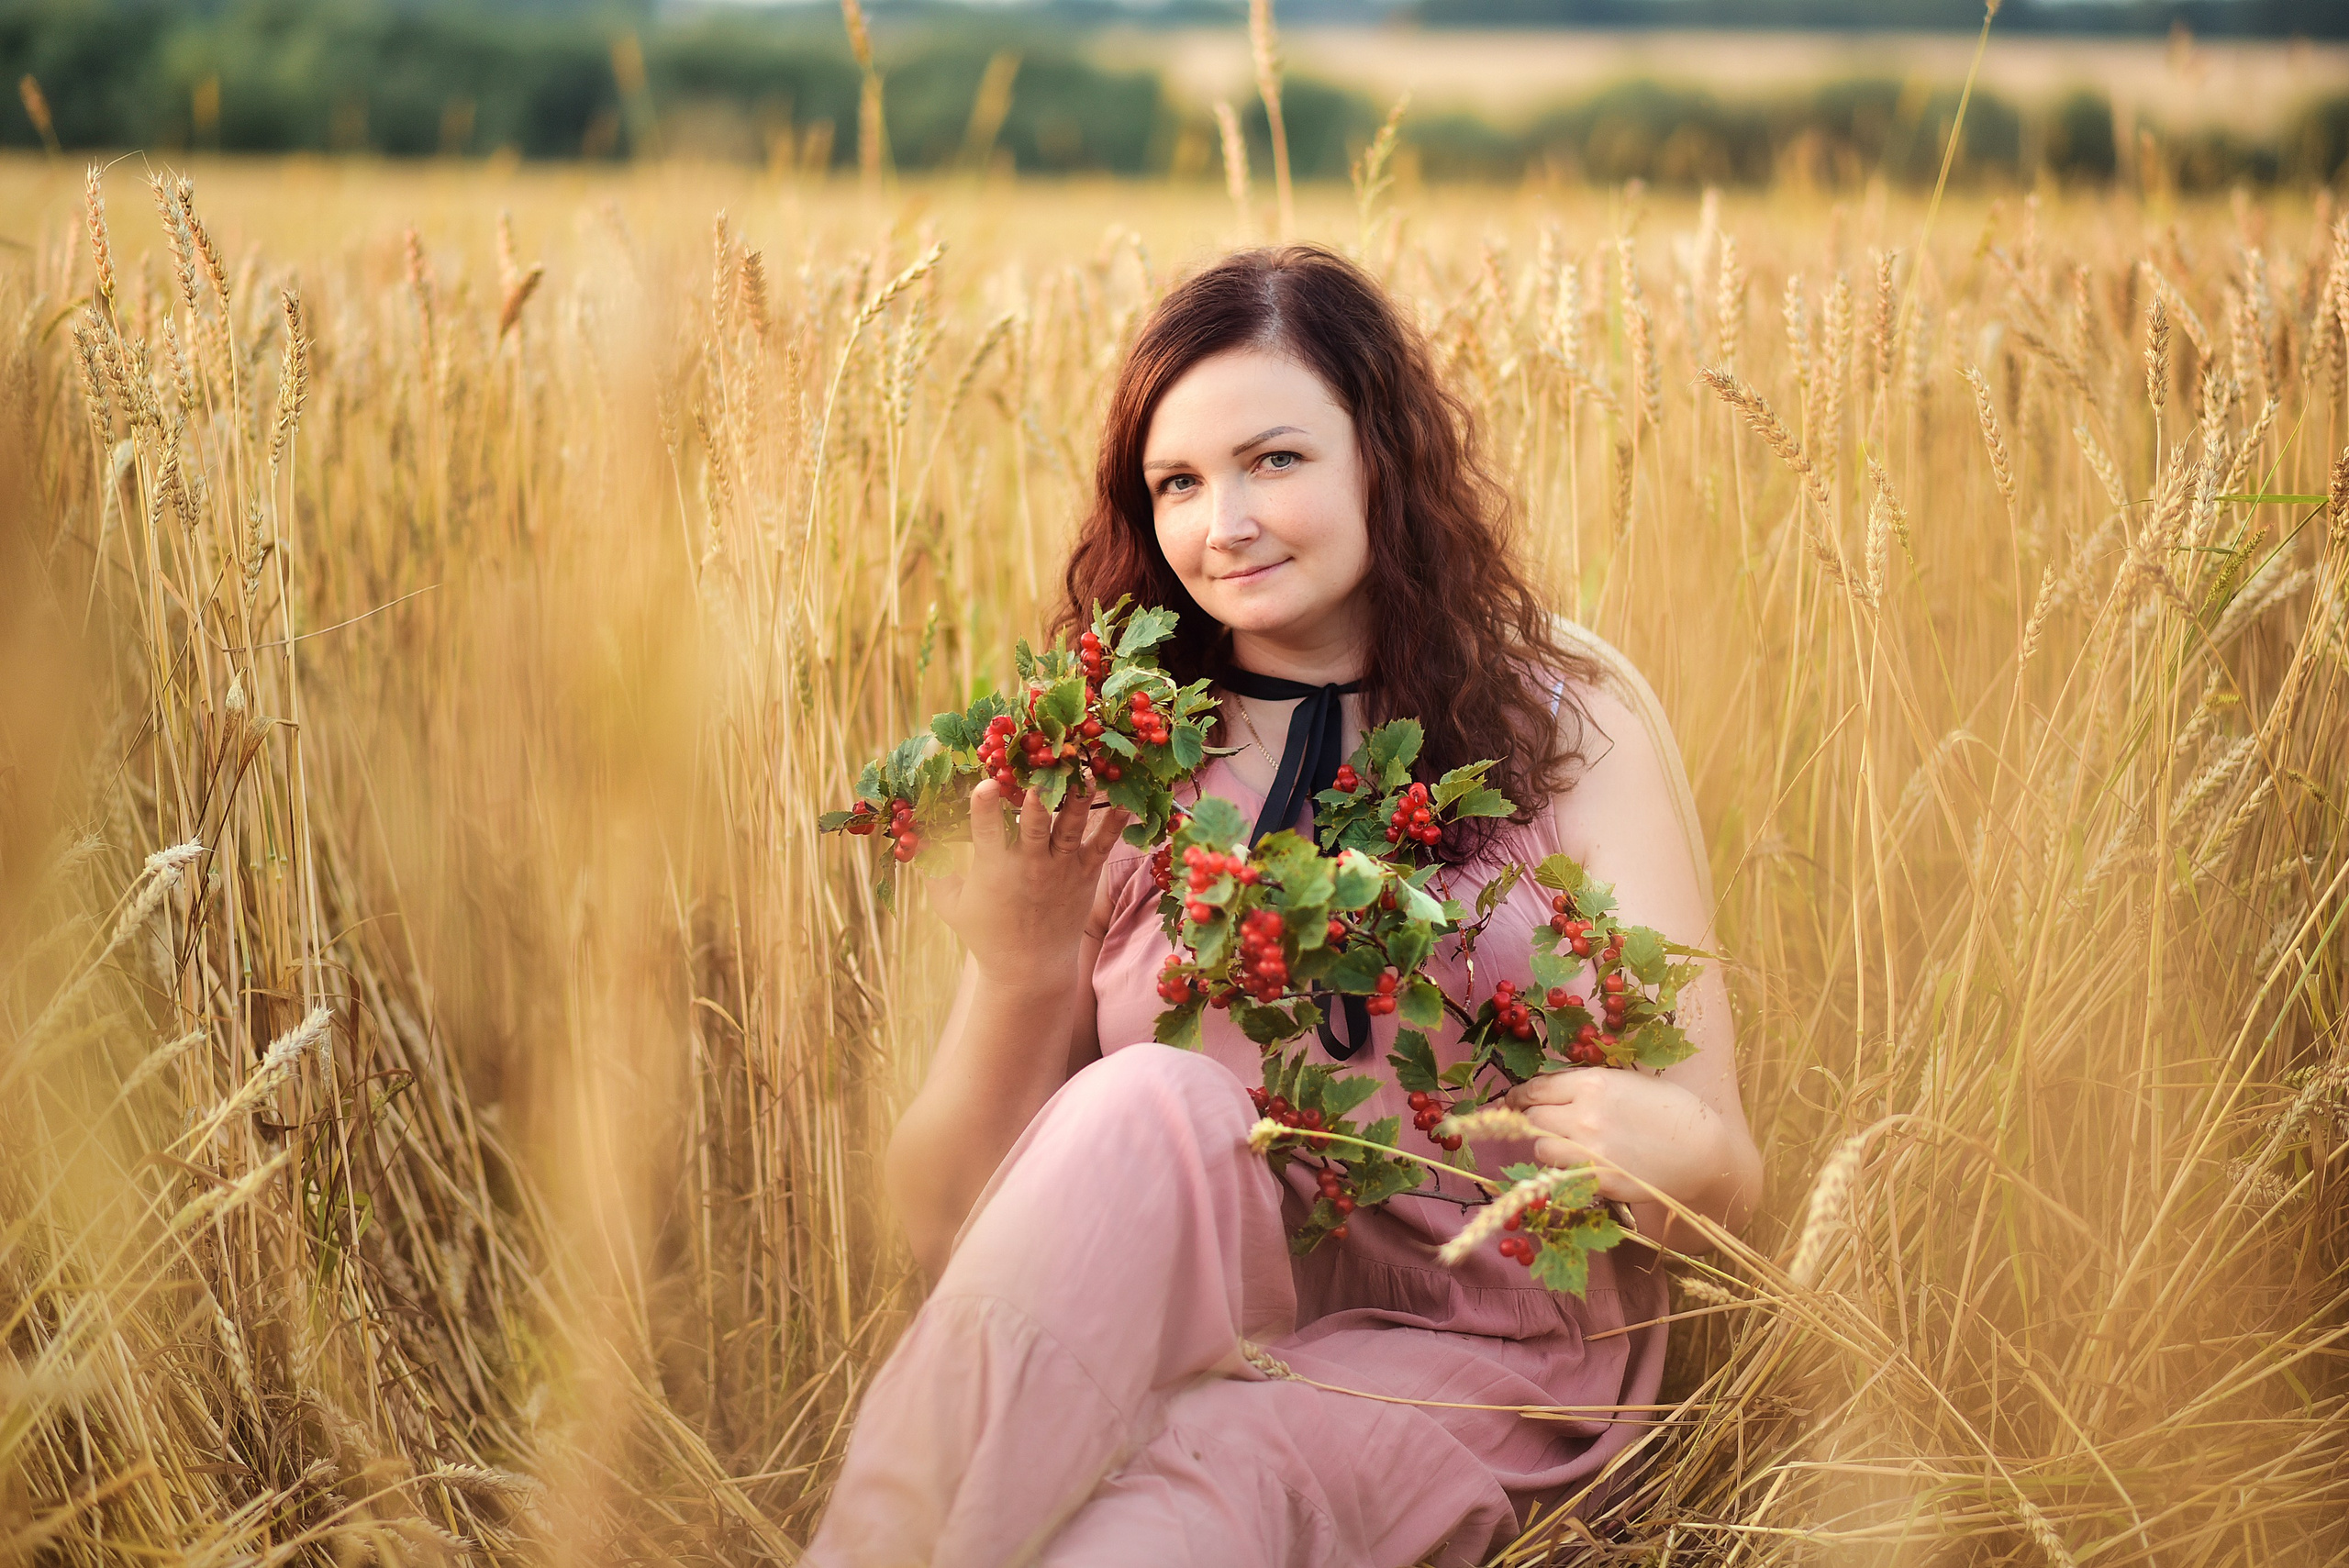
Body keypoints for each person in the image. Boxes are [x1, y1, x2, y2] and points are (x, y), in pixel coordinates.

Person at [806, 245, 1763, 1568]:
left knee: (1148, 1531)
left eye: (1275, 461)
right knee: (1154, 1099)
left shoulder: (1567, 719)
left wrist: (1672, 1146)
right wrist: (1028, 974)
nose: (1223, 525)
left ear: (1382, 453)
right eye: (1178, 483)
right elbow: (946, 1227)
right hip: (1169, 1343)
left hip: (1477, 1362)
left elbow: (1726, 1161)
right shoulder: (1127, 757)